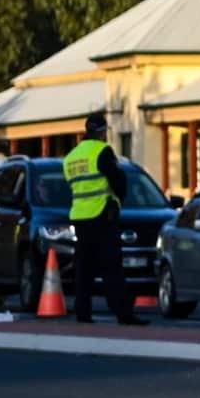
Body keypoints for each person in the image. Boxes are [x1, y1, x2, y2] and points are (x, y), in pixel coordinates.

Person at [63, 114, 148, 326]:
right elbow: (118, 179)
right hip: (102, 215)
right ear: (102, 132)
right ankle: (123, 313)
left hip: (80, 217)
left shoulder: (71, 157)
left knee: (84, 268)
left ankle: (83, 313)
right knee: (112, 267)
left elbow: (72, 185)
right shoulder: (101, 151)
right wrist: (118, 198)